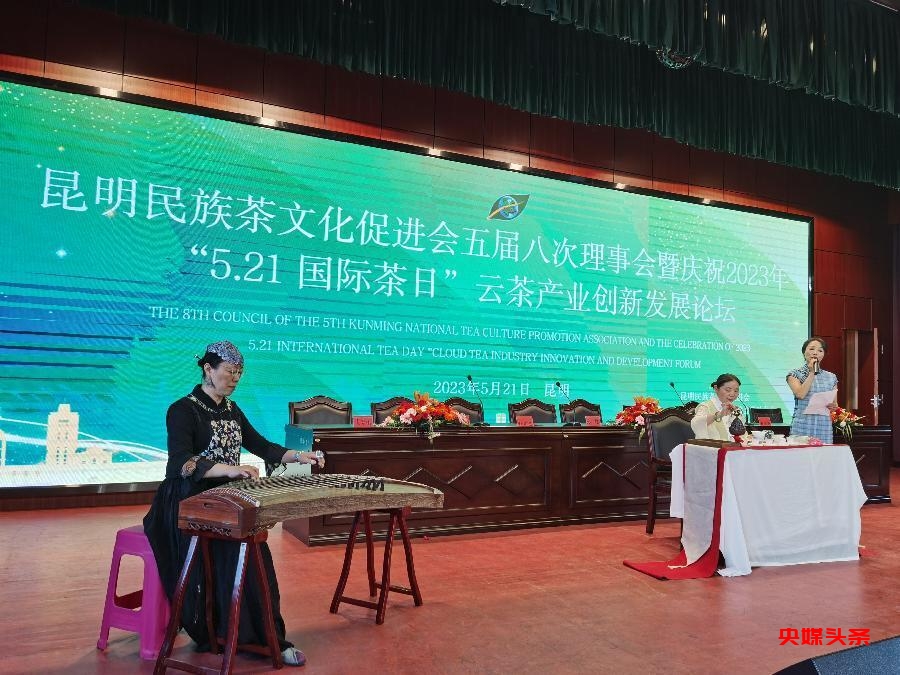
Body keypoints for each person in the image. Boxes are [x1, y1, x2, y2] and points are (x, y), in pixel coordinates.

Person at [143, 340, 324, 667]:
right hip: (186, 500)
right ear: (207, 369)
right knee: (235, 553)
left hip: (225, 499)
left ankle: (265, 636)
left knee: (254, 554)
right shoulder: (182, 409)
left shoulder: (232, 409)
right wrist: (228, 469)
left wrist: (300, 456)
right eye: (229, 371)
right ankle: (224, 630)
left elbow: (261, 446)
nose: (235, 378)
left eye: (239, 373)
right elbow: (181, 462)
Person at [787, 336, 838, 443]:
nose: (815, 353)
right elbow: (800, 394)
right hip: (802, 426)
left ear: (823, 355)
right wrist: (811, 372)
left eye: (820, 350)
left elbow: (834, 404)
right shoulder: (795, 374)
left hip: (824, 428)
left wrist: (833, 406)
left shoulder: (831, 377)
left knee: (824, 453)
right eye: (811, 349)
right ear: (804, 352)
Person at [691, 373, 744, 441]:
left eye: (736, 391)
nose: (732, 394)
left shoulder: (736, 410)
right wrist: (719, 414)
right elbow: (696, 424)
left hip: (732, 447)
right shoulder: (706, 406)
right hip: (711, 446)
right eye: (728, 390)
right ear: (716, 388)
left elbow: (742, 434)